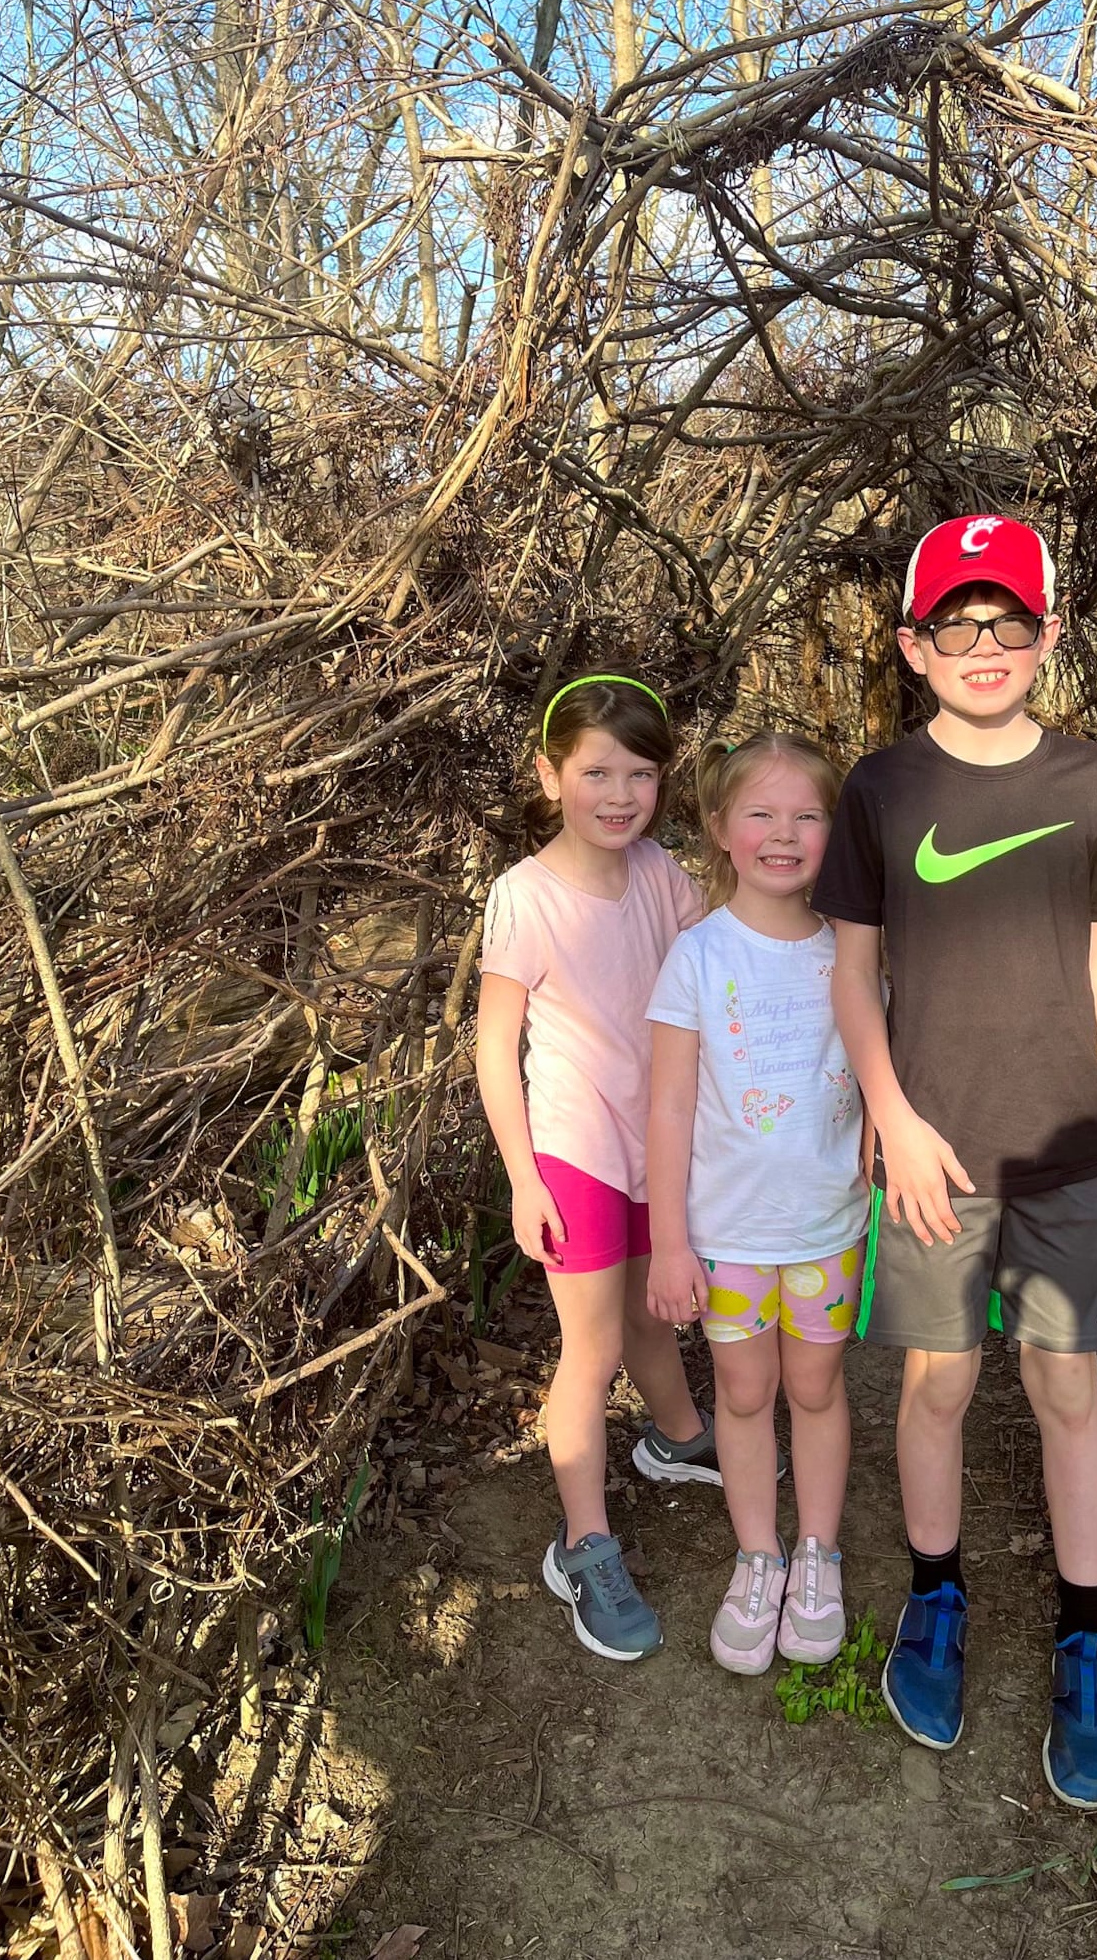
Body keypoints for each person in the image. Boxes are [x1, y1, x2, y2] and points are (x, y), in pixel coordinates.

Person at [812, 515, 1097, 1808]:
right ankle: (936, 1602)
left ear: (1049, 634)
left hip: (1065, 1146)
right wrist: (889, 1113)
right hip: (931, 1158)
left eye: (1011, 619)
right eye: (958, 621)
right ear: (914, 643)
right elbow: (853, 972)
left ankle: (1084, 1637)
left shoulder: (1087, 783)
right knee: (940, 1386)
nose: (986, 645)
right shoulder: (883, 791)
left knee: (1068, 1390)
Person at [475, 673, 722, 1664]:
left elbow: (717, 958)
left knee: (649, 1312)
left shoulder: (659, 872)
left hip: (650, 1144)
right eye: (596, 773)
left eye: (640, 775)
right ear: (550, 774)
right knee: (589, 1350)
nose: (618, 795)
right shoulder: (524, 897)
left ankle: (675, 1438)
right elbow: (495, 1048)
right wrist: (522, 1176)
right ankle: (583, 1545)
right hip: (573, 1152)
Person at [647, 732, 868, 1675]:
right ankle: (758, 1556)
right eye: (762, 814)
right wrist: (668, 1245)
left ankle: (817, 1554)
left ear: (834, 831)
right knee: (744, 1393)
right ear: (721, 831)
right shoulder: (697, 956)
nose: (785, 833)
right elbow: (665, 1105)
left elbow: (878, 1071)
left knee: (814, 1386)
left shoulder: (854, 954)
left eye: (808, 814)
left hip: (828, 1225)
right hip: (726, 1236)